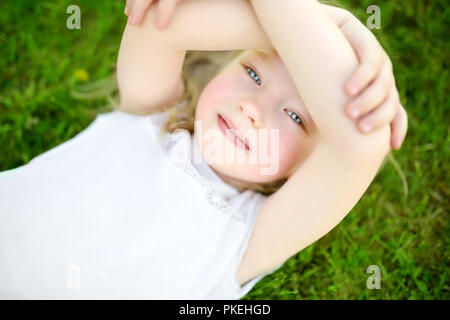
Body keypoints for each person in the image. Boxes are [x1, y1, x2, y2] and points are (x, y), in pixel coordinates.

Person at [0, 0, 408, 299]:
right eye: (253, 72)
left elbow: (359, 142)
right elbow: (162, 21)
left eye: (297, 117)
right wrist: (335, 22)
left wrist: (322, 27)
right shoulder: (148, 117)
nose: (253, 109)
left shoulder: (252, 236)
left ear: (304, 168)